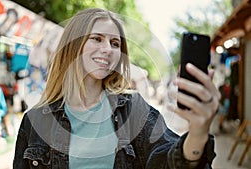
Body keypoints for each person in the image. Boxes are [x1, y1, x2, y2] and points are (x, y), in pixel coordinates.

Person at [13, 8, 220, 169]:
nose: (108, 49)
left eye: (115, 43)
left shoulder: (133, 108)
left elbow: (168, 159)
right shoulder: (35, 121)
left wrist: (198, 134)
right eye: (97, 38)